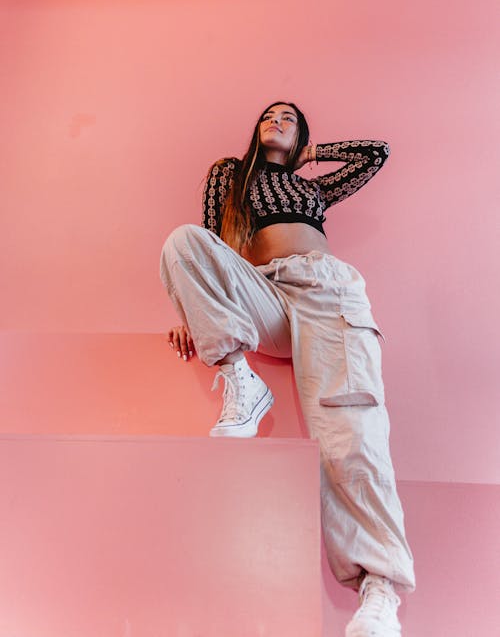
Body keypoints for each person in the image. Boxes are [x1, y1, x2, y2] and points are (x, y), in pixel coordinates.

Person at [159, 101, 415, 637]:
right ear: (254, 128)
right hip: (266, 292)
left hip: (327, 295)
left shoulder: (314, 189)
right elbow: (209, 240)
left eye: (289, 117)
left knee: (353, 433)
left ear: (300, 135)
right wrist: (193, 306)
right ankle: (240, 382)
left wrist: (309, 153)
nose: (276, 120)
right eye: (268, 115)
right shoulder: (230, 173)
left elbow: (375, 154)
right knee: (180, 243)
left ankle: (379, 588)